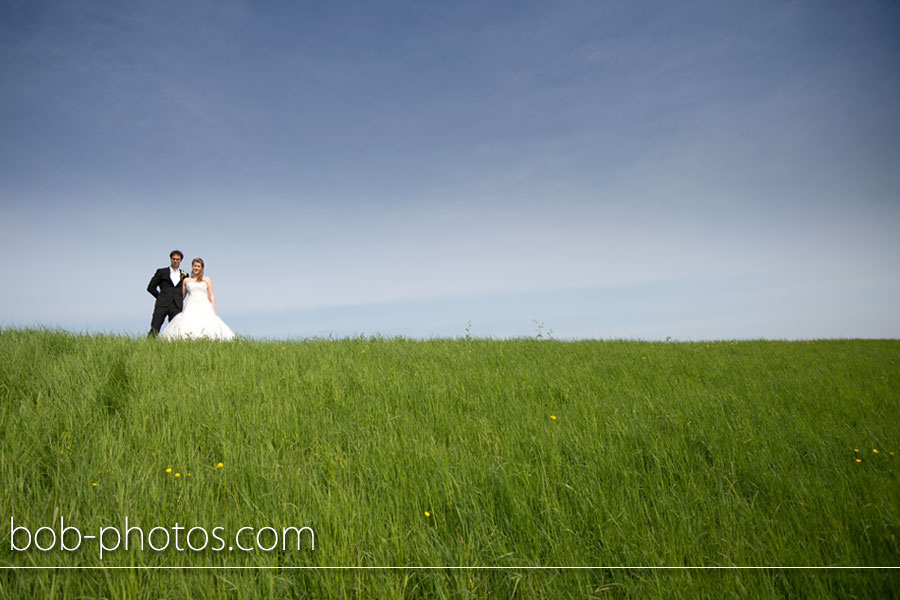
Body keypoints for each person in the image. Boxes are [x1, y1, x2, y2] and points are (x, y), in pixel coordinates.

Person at [160, 258, 235, 340]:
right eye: (195, 266)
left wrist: (213, 309)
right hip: (191, 304)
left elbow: (211, 296)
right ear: (192, 267)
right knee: (188, 322)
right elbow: (182, 296)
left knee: (206, 322)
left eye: (198, 266)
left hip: (204, 304)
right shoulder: (186, 280)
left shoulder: (207, 280)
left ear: (202, 268)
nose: (196, 268)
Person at [147, 250, 189, 337]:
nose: (175, 261)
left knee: (176, 329)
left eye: (178, 259)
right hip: (162, 304)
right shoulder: (161, 272)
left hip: (176, 305)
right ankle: (149, 345)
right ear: (170, 259)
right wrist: (160, 297)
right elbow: (151, 287)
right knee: (155, 326)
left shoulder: (184, 275)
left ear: (181, 260)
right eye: (174, 259)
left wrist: (180, 298)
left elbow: (186, 289)